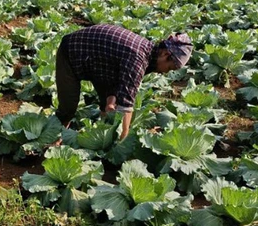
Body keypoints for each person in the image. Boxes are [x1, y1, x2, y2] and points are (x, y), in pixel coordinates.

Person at [55, 24, 193, 139]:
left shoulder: (148, 53)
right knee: (68, 107)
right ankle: (55, 137)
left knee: (106, 104)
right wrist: (123, 139)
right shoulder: (138, 59)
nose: (166, 72)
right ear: (165, 54)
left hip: (98, 62)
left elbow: (121, 82)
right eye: (170, 67)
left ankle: (102, 131)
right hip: (72, 51)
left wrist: (110, 100)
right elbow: (126, 105)